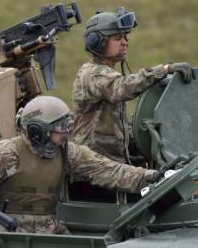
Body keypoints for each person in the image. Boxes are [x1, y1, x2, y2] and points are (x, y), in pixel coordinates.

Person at [0, 95, 158, 234]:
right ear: (37, 131)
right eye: (59, 127)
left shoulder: (67, 152)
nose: (65, 133)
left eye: (66, 125)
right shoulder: (5, 154)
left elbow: (108, 170)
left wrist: (151, 177)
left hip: (50, 230)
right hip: (8, 233)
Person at [72, 8, 195, 164]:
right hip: (93, 169)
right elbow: (121, 88)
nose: (125, 42)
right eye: (118, 38)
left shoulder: (107, 73)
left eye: (125, 37)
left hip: (112, 163)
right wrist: (163, 70)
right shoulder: (91, 74)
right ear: (98, 42)